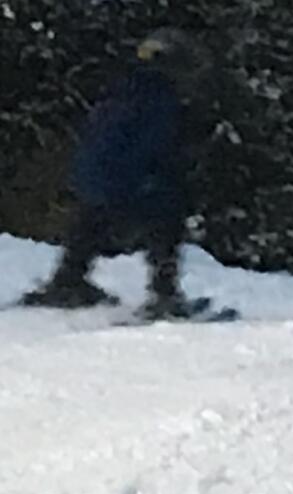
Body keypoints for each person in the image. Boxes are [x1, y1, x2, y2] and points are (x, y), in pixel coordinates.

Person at [19, 30, 213, 321]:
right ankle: (165, 293)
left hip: (94, 173)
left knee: (93, 218)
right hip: (127, 176)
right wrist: (163, 175)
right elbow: (154, 143)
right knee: (167, 217)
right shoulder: (159, 97)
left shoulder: (127, 85)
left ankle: (68, 279)